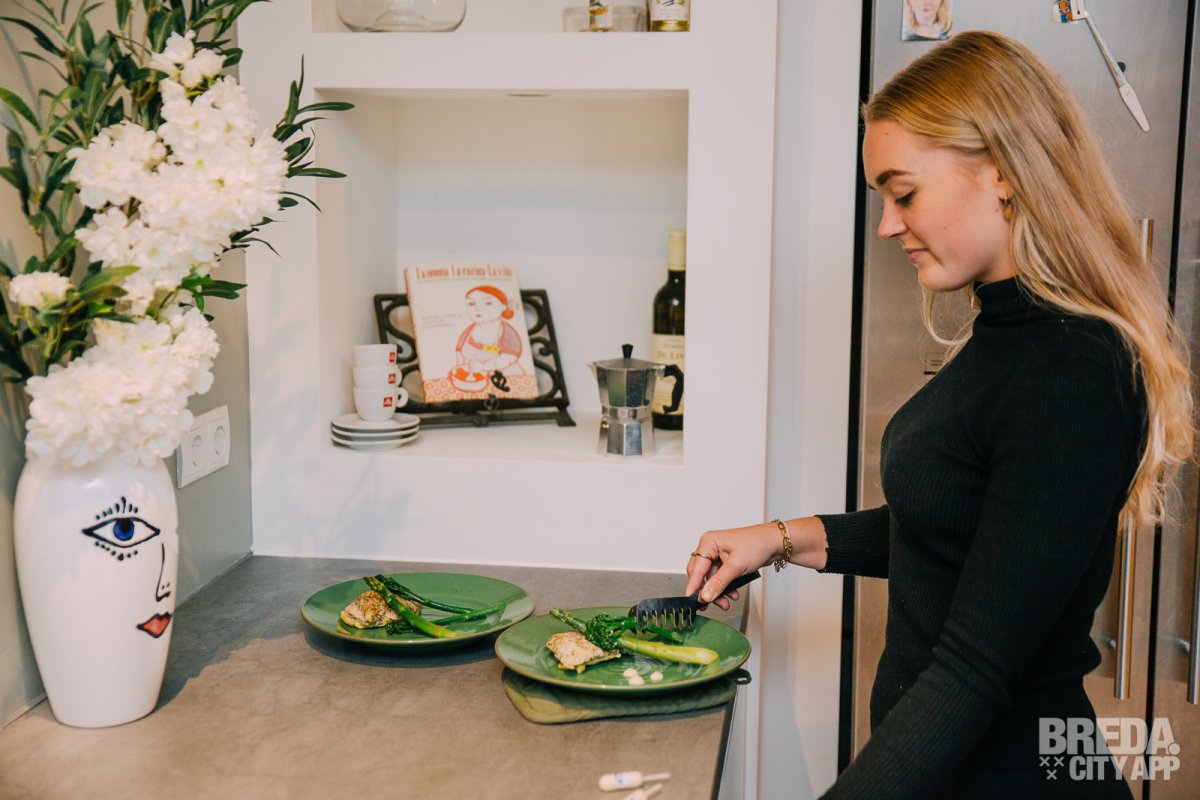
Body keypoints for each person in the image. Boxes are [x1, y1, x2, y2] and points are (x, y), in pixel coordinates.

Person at [686, 30, 1192, 799]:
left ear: (1003, 172)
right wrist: (783, 539)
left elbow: (973, 669)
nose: (888, 224)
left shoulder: (1073, 370)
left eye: (905, 192)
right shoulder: (1009, 332)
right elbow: (957, 530)